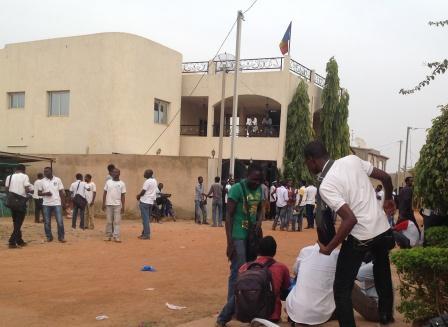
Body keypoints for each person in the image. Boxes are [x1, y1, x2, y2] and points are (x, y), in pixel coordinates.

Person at [304, 141, 396, 326]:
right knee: (382, 270)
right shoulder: (352, 160)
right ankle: (385, 315)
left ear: (312, 161)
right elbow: (385, 177)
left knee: (341, 289)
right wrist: (388, 199)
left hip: (361, 236)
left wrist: (329, 248)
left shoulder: (327, 185)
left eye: (307, 163)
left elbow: (350, 220)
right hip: (382, 230)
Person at [216, 163, 264, 327]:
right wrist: (229, 243)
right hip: (237, 235)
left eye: (259, 180)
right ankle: (229, 311)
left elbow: (260, 209)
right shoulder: (236, 189)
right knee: (238, 272)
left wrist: (259, 221)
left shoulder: (260, 189)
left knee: (248, 271)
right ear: (247, 176)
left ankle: (237, 307)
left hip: (251, 238)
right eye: (254, 179)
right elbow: (228, 216)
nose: (256, 183)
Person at [238, 236, 290, 323]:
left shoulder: (245, 267)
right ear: (274, 251)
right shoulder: (282, 267)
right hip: (272, 315)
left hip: (249, 314)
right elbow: (285, 291)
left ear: (259, 250)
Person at [5, 164, 32, 248]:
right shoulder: (24, 176)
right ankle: (12, 241)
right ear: (24, 170)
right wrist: (29, 194)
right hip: (20, 202)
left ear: (16, 169)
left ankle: (19, 240)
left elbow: (7, 189)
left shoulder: (9, 177)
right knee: (18, 223)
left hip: (12, 202)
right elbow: (27, 188)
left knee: (15, 222)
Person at [38, 167, 67, 243]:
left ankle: (61, 237)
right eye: (44, 172)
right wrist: (46, 193)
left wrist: (63, 203)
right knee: (47, 222)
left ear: (51, 171)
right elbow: (39, 193)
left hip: (57, 203)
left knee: (60, 221)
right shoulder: (42, 181)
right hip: (46, 204)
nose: (45, 173)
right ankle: (49, 237)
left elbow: (61, 192)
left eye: (47, 171)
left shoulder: (58, 180)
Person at [102, 168, 126, 242]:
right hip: (108, 204)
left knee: (117, 222)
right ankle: (108, 235)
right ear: (112, 173)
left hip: (117, 205)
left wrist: (123, 206)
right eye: (113, 172)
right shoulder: (108, 182)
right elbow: (105, 193)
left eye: (116, 172)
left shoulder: (122, 183)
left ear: (119, 174)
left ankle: (116, 236)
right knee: (109, 221)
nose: (115, 173)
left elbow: (123, 195)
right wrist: (103, 203)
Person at [136, 169, 157, 239]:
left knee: (145, 220)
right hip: (150, 202)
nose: (144, 174)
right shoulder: (154, 180)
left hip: (145, 202)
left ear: (149, 174)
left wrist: (138, 196)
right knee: (147, 219)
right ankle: (144, 233)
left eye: (145, 173)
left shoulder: (147, 181)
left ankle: (146, 235)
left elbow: (143, 191)